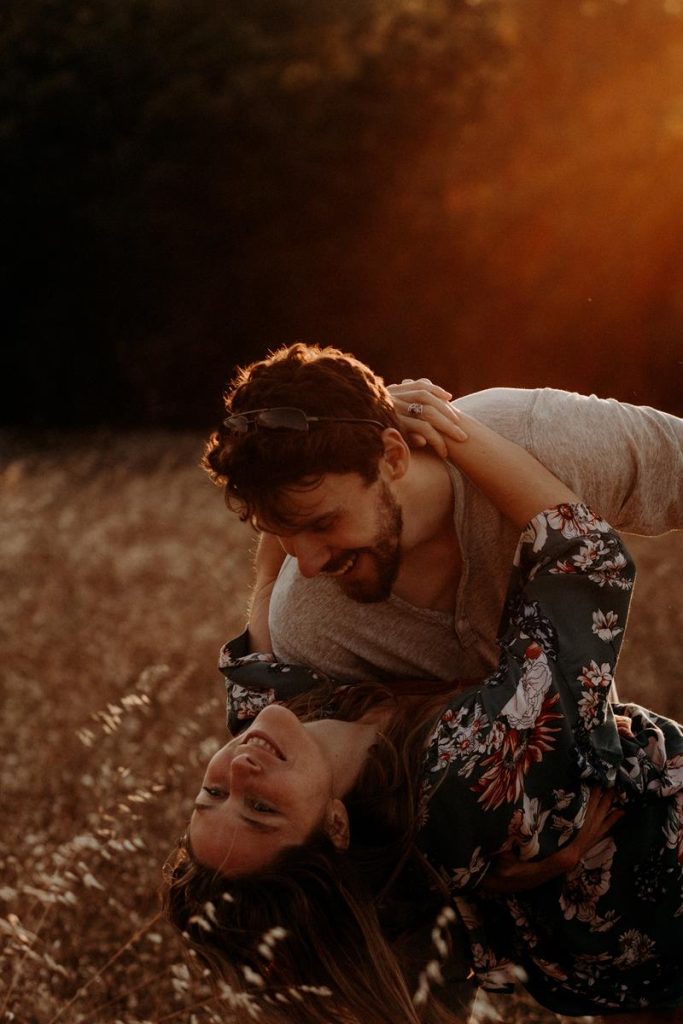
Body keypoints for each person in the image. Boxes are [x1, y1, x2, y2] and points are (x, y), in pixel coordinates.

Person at [164, 410, 683, 1024]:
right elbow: (587, 558)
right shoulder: (464, 776)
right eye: (261, 809)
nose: (240, 774)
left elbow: (265, 597)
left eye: (212, 793)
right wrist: (453, 432)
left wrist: (345, 437)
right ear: (334, 827)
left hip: (598, 955)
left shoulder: (278, 736)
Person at [201, 343, 683, 687]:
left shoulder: (541, 438)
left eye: (323, 523)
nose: (305, 564)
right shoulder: (312, 625)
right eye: (282, 533)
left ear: (392, 457)